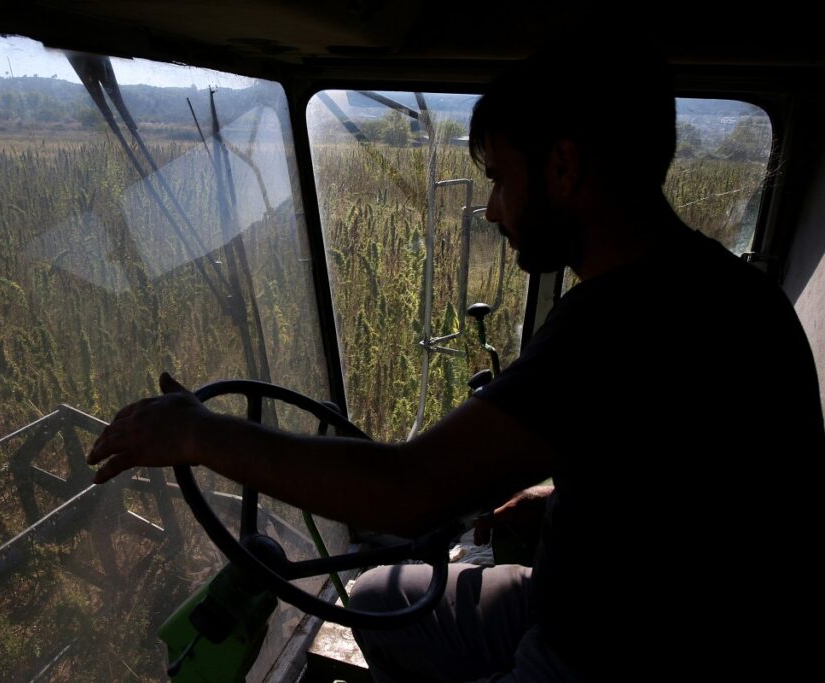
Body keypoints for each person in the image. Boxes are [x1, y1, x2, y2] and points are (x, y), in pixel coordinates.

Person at [87, 35, 824, 681]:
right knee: (378, 600)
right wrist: (567, 502)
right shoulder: (736, 294)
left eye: (503, 177)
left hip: (613, 653)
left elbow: (411, 489)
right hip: (617, 600)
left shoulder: (613, 322)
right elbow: (698, 494)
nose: (496, 209)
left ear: (564, 166)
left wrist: (196, 433)